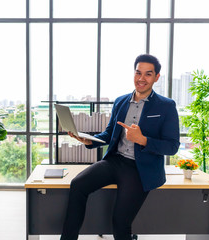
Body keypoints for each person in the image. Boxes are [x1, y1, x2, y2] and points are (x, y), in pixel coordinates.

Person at [60, 54, 180, 240]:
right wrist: (89, 140)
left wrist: (142, 140)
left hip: (140, 169)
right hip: (115, 161)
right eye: (138, 73)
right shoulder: (121, 101)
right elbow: (109, 134)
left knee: (120, 221)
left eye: (148, 74)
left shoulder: (166, 106)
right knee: (77, 185)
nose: (141, 78)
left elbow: (172, 147)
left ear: (156, 77)